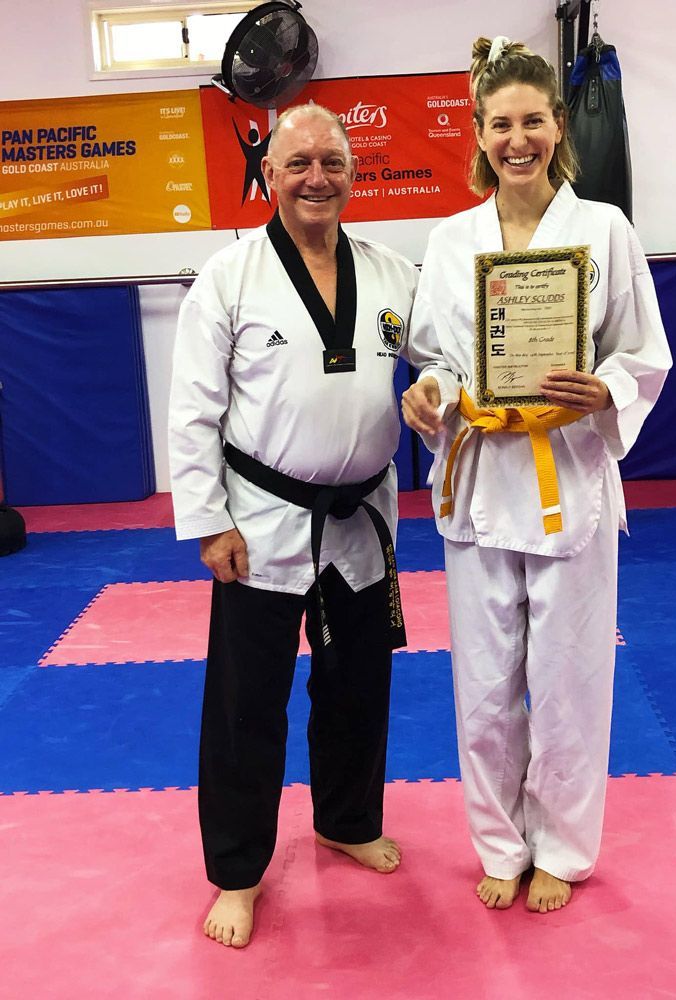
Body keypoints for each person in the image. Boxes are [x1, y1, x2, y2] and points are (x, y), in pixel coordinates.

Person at [402, 36, 672, 914]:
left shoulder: (602, 229)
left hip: (570, 478)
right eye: (498, 124)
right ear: (477, 136)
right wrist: (429, 396)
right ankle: (498, 842)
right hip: (479, 482)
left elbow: (644, 354)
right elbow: (433, 360)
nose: (516, 139)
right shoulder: (447, 242)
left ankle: (560, 845)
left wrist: (605, 388)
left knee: (568, 680)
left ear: (560, 126)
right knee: (482, 690)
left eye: (532, 121)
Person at [169, 104, 424, 948]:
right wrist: (209, 522)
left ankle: (345, 820)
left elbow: (442, 361)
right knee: (248, 706)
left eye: (333, 161)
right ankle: (237, 873)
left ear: (354, 174)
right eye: (299, 162)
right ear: (269, 176)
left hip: (362, 515)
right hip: (262, 519)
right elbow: (193, 411)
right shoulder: (230, 276)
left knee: (356, 688)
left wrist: (441, 391)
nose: (318, 176)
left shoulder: (391, 272)